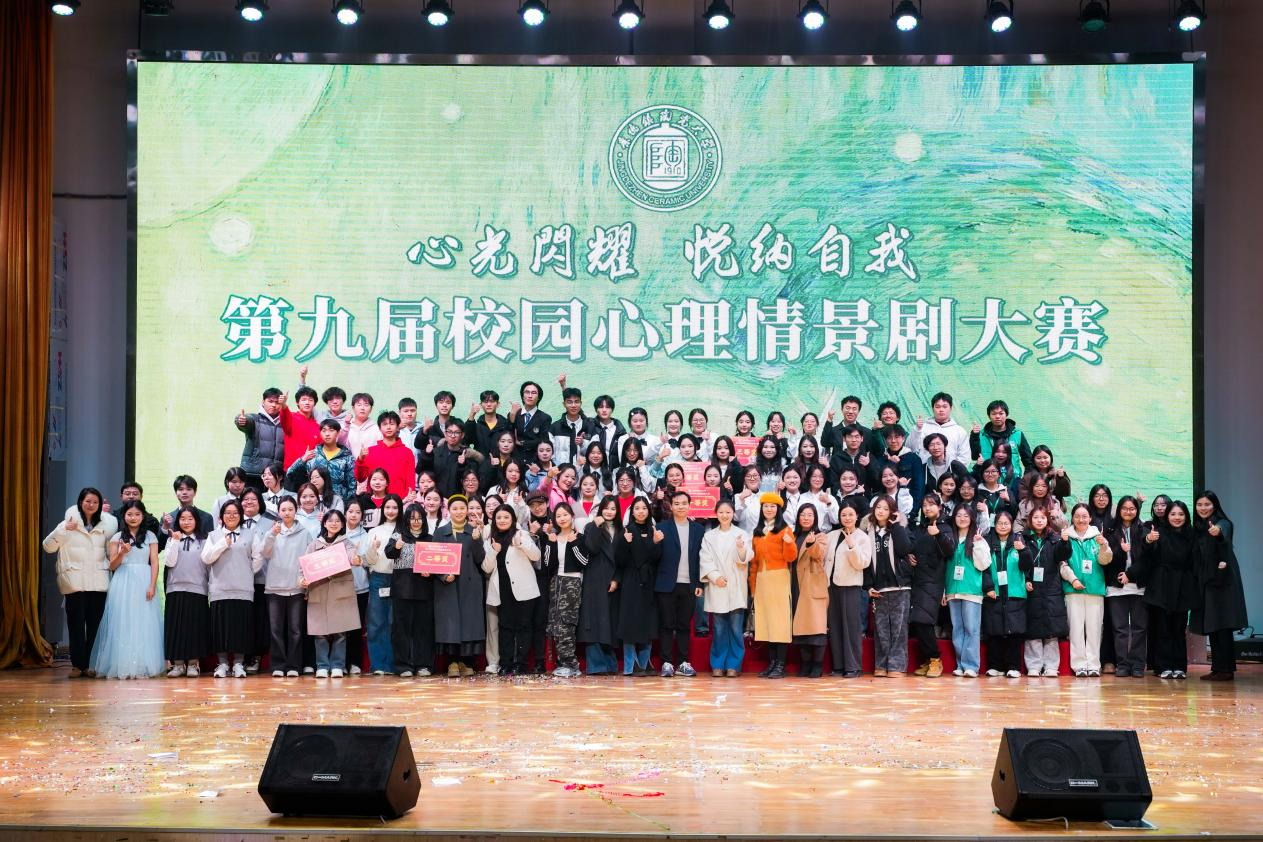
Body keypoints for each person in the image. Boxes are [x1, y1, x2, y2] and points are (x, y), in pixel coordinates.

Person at [43, 487, 116, 678]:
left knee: (95, 626)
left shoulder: (107, 525)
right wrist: (62, 530)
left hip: (98, 582)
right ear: (80, 502)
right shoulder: (68, 523)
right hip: (74, 581)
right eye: (87, 501)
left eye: (95, 502)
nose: (91, 505)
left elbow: (111, 554)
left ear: (100, 505)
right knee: (75, 626)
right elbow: (48, 547)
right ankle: (77, 665)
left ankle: (91, 664)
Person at [88, 500, 164, 679]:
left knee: (143, 622)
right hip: (122, 581)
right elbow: (112, 565)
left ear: (143, 516)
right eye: (129, 514)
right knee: (122, 622)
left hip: (144, 580)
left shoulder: (150, 536)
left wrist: (152, 585)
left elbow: (154, 562)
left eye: (137, 514)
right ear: (124, 516)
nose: (133, 518)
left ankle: (143, 664)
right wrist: (122, 553)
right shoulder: (117, 537)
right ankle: (122, 663)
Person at [1190, 492, 1249, 681]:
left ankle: (1226, 670)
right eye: (1199, 504)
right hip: (1208, 580)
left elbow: (1223, 531)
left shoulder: (1222, 522)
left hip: (1223, 581)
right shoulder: (1198, 527)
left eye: (1207, 504)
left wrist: (1218, 532)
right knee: (1213, 624)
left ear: (1214, 505)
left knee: (1222, 625)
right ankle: (1218, 667)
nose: (1203, 508)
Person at [299, 509, 363, 679]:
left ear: (342, 524)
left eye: (337, 521)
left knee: (340, 632)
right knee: (320, 632)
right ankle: (322, 666)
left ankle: (337, 665)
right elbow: (303, 568)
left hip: (341, 592)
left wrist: (356, 559)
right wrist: (302, 580)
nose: (334, 523)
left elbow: (352, 557)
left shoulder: (347, 543)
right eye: (330, 520)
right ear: (324, 523)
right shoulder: (314, 544)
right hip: (318, 591)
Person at [432, 495, 487, 677]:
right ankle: (452, 663)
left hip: (470, 584)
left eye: (462, 508)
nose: (459, 512)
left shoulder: (474, 530)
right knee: (450, 625)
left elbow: (480, 559)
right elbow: (434, 561)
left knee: (469, 624)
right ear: (448, 511)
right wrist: (442, 576)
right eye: (455, 509)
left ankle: (467, 662)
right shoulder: (440, 532)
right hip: (448, 585)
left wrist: (477, 539)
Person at [484, 505, 542, 676]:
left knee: (524, 626)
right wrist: (493, 552)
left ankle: (521, 664)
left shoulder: (521, 534)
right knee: (505, 627)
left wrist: (522, 544)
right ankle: (506, 663)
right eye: (499, 517)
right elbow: (486, 568)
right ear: (494, 520)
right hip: (502, 589)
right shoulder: (490, 539)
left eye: (506, 517)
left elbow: (536, 556)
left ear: (512, 519)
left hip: (524, 588)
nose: (502, 520)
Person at [1143, 500, 1197, 679]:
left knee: (1179, 629)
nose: (1177, 517)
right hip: (1161, 585)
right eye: (1173, 514)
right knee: (1163, 628)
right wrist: (1148, 541)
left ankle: (1179, 666)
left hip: (1183, 586)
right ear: (1167, 516)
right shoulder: (1159, 532)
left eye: (1181, 514)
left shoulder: (1191, 534)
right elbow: (1147, 554)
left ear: (1186, 516)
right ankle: (1163, 666)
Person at [254, 497, 308, 678]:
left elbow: (308, 558)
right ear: (278, 512)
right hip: (274, 588)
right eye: (283, 510)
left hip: (296, 588)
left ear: (296, 510)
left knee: (296, 630)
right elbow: (264, 552)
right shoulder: (272, 531)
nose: (287, 513)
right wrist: (272, 534)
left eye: (290, 509)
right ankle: (278, 665)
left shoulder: (304, 532)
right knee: (275, 630)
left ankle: (294, 666)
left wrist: (304, 580)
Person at [201, 500, 255, 678]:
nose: (231, 516)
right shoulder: (214, 535)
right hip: (220, 589)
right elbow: (206, 558)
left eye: (235, 513)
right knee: (220, 629)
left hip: (243, 588)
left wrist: (247, 572)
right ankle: (223, 664)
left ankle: (239, 663)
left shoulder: (250, 534)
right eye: (227, 513)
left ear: (241, 515)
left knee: (241, 628)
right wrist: (222, 544)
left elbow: (258, 558)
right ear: (221, 516)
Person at [699, 499, 753, 677]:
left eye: (728, 512)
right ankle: (718, 664)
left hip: (736, 586)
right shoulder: (709, 536)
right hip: (717, 586)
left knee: (736, 629)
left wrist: (741, 549)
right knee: (719, 629)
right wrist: (715, 577)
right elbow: (705, 559)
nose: (724, 515)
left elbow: (746, 557)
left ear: (733, 514)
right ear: (716, 514)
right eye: (721, 512)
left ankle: (733, 665)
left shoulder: (741, 534)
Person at [655, 490, 705, 678]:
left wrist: (699, 583)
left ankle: (683, 662)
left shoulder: (698, 529)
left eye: (684, 503)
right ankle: (667, 662)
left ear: (689, 505)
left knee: (684, 625)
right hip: (666, 584)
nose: (681, 507)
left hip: (690, 584)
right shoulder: (662, 527)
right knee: (667, 624)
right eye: (677, 503)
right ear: (671, 506)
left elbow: (701, 558)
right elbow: (655, 557)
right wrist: (654, 542)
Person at [863, 495, 914, 677]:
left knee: (899, 630)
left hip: (900, 587)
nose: (881, 511)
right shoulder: (868, 532)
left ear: (892, 511)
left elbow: (905, 549)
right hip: (879, 589)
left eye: (885, 508)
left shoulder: (900, 529)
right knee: (881, 630)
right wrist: (868, 586)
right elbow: (866, 563)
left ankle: (897, 666)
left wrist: (897, 526)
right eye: (878, 507)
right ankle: (881, 664)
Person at [750, 492, 798, 679]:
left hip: (779, 579)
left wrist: (790, 544)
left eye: (772, 506)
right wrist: (753, 587)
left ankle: (780, 664)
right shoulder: (757, 533)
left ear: (778, 510)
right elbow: (754, 563)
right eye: (766, 506)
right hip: (762, 580)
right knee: (766, 623)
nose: (769, 509)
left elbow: (790, 558)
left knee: (779, 623)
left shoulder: (785, 530)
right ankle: (772, 663)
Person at [385, 503, 435, 677]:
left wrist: (431, 572)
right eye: (412, 518)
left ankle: (423, 665)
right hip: (402, 589)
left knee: (424, 629)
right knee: (401, 629)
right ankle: (403, 666)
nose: (416, 522)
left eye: (419, 518)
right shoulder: (398, 535)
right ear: (406, 520)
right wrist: (397, 546)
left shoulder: (430, 538)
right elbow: (389, 553)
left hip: (424, 589)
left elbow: (436, 563)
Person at [906, 493, 953, 678]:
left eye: (931, 504)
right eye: (925, 505)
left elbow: (949, 551)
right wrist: (909, 556)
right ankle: (928, 659)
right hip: (918, 580)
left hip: (934, 581)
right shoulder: (919, 529)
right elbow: (912, 548)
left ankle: (935, 659)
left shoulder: (945, 527)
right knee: (917, 621)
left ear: (939, 507)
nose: (927, 508)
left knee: (923, 620)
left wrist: (938, 535)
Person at [614, 497, 662, 676]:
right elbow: (620, 560)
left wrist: (656, 543)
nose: (641, 511)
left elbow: (656, 558)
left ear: (649, 511)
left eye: (644, 508)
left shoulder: (653, 530)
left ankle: (644, 661)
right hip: (631, 580)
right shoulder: (626, 531)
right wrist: (624, 543)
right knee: (630, 622)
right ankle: (631, 664)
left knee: (648, 621)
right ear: (632, 512)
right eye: (637, 508)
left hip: (649, 581)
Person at [824, 501, 871, 678]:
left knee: (851, 627)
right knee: (835, 626)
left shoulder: (862, 537)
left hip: (850, 586)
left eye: (851, 514)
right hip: (831, 586)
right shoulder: (832, 535)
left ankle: (853, 666)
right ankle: (838, 665)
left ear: (857, 516)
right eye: (844, 515)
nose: (847, 518)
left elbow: (862, 563)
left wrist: (852, 545)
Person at [1020, 508, 1069, 677]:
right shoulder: (1023, 538)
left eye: (1042, 517)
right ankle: (1033, 666)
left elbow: (1063, 556)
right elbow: (1021, 564)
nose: (1039, 520)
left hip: (1051, 589)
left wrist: (1065, 542)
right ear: (1030, 520)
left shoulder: (1055, 538)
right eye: (1036, 517)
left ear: (1047, 520)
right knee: (1032, 629)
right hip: (1031, 588)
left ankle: (1051, 666)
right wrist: (1026, 579)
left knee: (1051, 630)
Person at [944, 504, 991, 677]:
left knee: (971, 628)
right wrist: (944, 591)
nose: (962, 518)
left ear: (972, 518)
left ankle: (971, 666)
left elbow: (983, 564)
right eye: (959, 515)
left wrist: (978, 544)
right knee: (957, 629)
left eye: (966, 515)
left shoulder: (978, 539)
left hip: (971, 590)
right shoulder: (950, 538)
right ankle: (960, 664)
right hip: (952, 589)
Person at [162, 506, 210, 677]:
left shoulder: (204, 540)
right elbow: (169, 562)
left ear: (196, 521)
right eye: (183, 519)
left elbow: (208, 565)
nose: (186, 522)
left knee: (194, 628)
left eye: (190, 519)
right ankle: (178, 664)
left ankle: (193, 664)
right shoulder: (172, 539)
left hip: (198, 589)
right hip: (175, 589)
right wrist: (175, 541)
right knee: (176, 627)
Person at [982, 510, 1030, 678]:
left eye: (1006, 523)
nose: (1003, 526)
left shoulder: (1019, 540)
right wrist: (988, 587)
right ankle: (995, 666)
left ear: (1011, 525)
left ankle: (1013, 666)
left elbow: (1027, 566)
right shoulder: (987, 542)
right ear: (995, 525)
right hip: (993, 592)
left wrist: (1023, 551)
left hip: (1014, 592)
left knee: (1014, 631)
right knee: (994, 629)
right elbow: (983, 567)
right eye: (1000, 523)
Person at [1105, 496, 1149, 678]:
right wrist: (1120, 551)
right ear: (1119, 510)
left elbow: (1147, 559)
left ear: (1137, 510)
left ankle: (1138, 665)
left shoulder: (1143, 529)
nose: (1128, 512)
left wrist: (1130, 574)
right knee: (1120, 629)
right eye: (1124, 508)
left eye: (1132, 508)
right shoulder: (1110, 530)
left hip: (1139, 586)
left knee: (1139, 628)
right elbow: (1106, 560)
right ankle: (1122, 664)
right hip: (1116, 587)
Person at [544, 503, 588, 678]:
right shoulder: (553, 537)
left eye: (565, 514)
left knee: (566, 624)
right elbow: (547, 564)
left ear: (572, 516)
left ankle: (572, 665)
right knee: (555, 623)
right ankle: (562, 663)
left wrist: (574, 543)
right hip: (556, 582)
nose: (562, 518)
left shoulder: (579, 537)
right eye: (558, 516)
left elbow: (583, 562)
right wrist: (550, 543)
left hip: (572, 582)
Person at [579, 496, 621, 675]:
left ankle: (610, 665)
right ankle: (596, 666)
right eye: (606, 508)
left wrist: (616, 579)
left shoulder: (622, 530)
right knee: (595, 622)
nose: (609, 512)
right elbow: (592, 548)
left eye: (613, 508)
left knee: (609, 623)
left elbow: (624, 558)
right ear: (600, 509)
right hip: (594, 580)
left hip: (613, 581)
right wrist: (596, 526)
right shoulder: (591, 527)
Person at [364, 493, 404, 675]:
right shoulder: (374, 531)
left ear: (400, 509)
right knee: (376, 623)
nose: (391, 511)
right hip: (378, 578)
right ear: (382, 509)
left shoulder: (404, 530)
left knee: (395, 623)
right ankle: (379, 665)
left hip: (400, 579)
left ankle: (395, 664)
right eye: (387, 507)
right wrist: (373, 548)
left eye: (395, 507)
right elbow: (368, 561)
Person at [791, 504, 829, 677]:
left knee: (816, 627)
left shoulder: (820, 536)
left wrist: (812, 543)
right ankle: (805, 664)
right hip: (795, 582)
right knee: (800, 627)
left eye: (810, 515)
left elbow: (818, 554)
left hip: (812, 583)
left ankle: (817, 665)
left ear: (815, 518)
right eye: (803, 514)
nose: (806, 518)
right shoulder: (793, 536)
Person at [356, 410, 416, 498]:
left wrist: (408, 500)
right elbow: (360, 478)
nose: (388, 427)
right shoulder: (370, 451)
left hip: (399, 501)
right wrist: (360, 459)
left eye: (392, 424)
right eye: (385, 424)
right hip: (374, 501)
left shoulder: (407, 452)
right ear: (380, 428)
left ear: (397, 427)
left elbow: (410, 480)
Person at [234, 388, 285, 489]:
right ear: (263, 402)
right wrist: (241, 420)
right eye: (270, 401)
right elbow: (246, 422)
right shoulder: (255, 419)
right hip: (253, 474)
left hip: (276, 476)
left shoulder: (285, 423)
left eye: (277, 402)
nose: (274, 405)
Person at [968, 400, 1033, 475]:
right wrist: (974, 436)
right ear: (989, 416)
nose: (997, 416)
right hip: (988, 478)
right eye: (994, 414)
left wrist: (1027, 478)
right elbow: (974, 456)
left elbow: (1028, 460)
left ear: (1006, 414)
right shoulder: (981, 435)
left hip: (1012, 479)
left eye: (1001, 413)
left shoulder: (1017, 434)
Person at [909, 392, 971, 466]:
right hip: (925, 470)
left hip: (951, 472)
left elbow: (965, 457)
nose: (941, 410)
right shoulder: (922, 428)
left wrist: (954, 471)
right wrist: (917, 431)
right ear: (932, 409)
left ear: (951, 408)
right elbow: (910, 449)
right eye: (937, 407)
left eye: (945, 406)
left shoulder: (959, 431)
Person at [509, 380, 553, 460]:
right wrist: (512, 416)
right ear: (522, 396)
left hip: (534, 459)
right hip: (515, 459)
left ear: (539, 397)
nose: (530, 396)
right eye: (527, 392)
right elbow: (507, 435)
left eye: (533, 393)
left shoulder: (545, 418)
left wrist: (523, 443)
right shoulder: (514, 413)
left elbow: (544, 440)